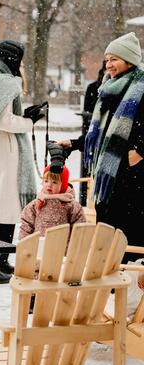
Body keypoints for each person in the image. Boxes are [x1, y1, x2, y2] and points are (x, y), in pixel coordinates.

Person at [60, 33, 144, 259]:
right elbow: (102, 132)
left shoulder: (141, 87)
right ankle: (113, 277)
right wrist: (76, 143)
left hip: (132, 173)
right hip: (108, 172)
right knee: (108, 224)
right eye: (107, 59)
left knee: (130, 230)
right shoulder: (109, 89)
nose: (109, 64)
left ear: (129, 60)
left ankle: (133, 284)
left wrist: (138, 151)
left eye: (114, 59)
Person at [0, 39, 46, 283]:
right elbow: (3, 121)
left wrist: (24, 115)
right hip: (5, 153)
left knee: (5, 210)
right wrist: (29, 122)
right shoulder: (4, 82)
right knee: (5, 211)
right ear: (12, 59)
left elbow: (0, 115)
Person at [18, 165, 86, 239]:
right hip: (40, 246)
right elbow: (26, 224)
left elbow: (79, 228)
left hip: (62, 247)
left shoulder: (71, 205)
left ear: (63, 185)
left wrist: (74, 246)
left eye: (54, 182)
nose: (49, 185)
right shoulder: (36, 203)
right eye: (46, 181)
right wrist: (24, 243)